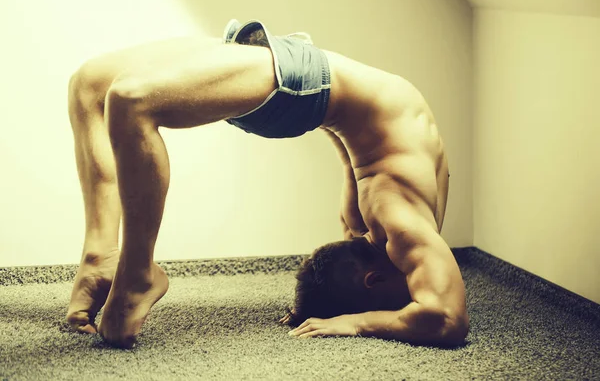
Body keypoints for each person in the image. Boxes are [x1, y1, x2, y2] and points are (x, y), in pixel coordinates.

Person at [66, 19, 469, 349]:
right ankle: (136, 274)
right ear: (373, 281)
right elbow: (447, 318)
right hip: (308, 79)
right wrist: (358, 322)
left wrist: (318, 305)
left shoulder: (371, 219)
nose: (415, 289)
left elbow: (355, 145)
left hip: (304, 72)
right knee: (124, 97)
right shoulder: (399, 224)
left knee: (93, 86)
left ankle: (100, 256)